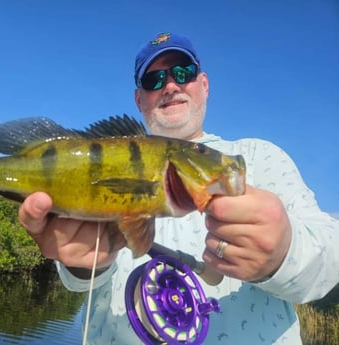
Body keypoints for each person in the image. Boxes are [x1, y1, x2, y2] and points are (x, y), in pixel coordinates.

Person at [18, 32, 339, 344]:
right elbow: (81, 282)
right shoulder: (107, 157)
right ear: (138, 98)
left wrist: (284, 250)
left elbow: (330, 259)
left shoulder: (258, 157)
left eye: (182, 73)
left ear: (204, 84)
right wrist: (82, 261)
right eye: (153, 80)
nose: (170, 86)